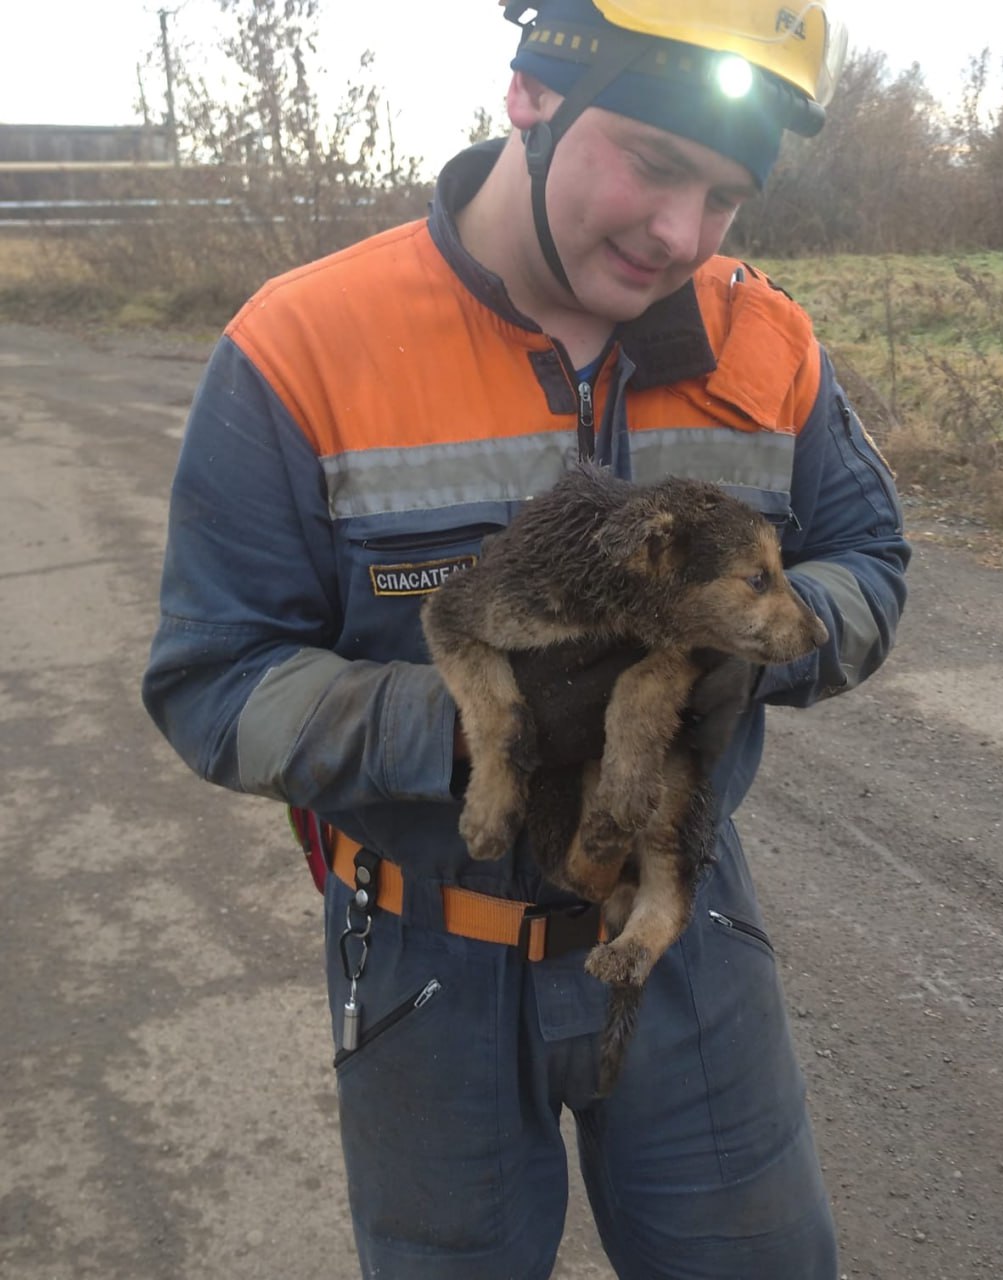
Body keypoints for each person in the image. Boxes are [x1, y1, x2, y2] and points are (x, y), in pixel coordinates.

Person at [142, 1, 910, 1276]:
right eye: (654, 162)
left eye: (723, 193)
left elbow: (870, 565)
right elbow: (213, 683)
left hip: (685, 930)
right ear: (530, 97)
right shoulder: (301, 344)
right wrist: (478, 725)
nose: (680, 233)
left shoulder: (767, 344)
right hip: (426, 955)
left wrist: (759, 643)